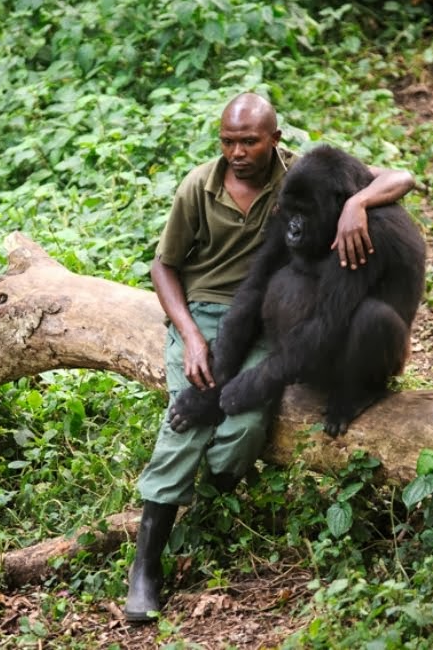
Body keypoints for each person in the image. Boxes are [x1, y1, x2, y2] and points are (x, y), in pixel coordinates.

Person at [124, 93, 415, 623]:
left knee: (252, 413)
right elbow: (252, 292)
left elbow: (329, 326)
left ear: (273, 141)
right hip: (215, 318)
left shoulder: (351, 219)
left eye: (249, 140)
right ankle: (146, 564)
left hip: (360, 348)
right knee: (191, 417)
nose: (295, 226)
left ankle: (356, 395)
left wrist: (357, 206)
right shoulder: (266, 192)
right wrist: (208, 364)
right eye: (228, 141)